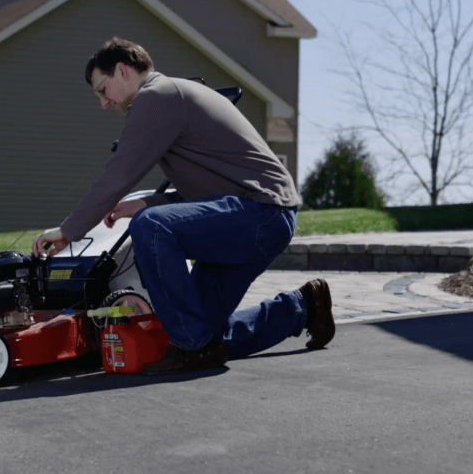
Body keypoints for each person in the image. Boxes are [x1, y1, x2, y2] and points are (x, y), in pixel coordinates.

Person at [32, 38, 334, 374]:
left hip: (261, 213)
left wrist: (68, 231)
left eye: (103, 89)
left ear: (122, 70)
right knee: (204, 331)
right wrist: (149, 201)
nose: (104, 102)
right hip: (258, 216)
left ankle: (191, 347)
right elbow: (214, 189)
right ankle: (304, 306)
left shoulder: (156, 96)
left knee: (152, 227)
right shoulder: (171, 95)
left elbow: (118, 174)